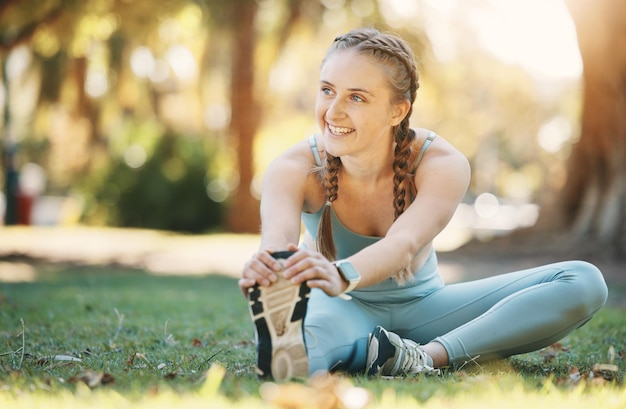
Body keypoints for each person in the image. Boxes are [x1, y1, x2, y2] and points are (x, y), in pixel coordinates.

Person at [239, 27, 608, 381]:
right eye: (327, 90)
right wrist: (270, 268)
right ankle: (359, 351)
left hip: (428, 309)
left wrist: (339, 274)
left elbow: (404, 244)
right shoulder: (293, 168)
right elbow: (277, 240)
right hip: (340, 307)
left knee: (584, 281)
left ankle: (423, 355)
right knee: (293, 359)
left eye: (356, 97)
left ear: (398, 111)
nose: (333, 111)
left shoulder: (441, 164)